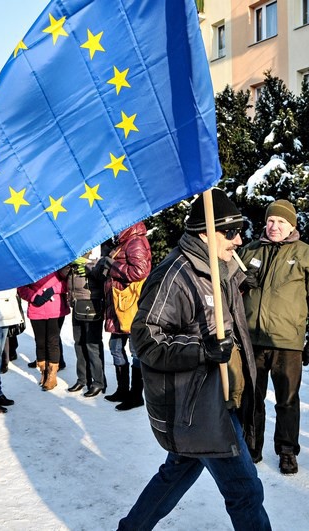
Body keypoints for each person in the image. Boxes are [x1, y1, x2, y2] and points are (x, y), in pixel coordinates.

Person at [119, 189, 270, 530]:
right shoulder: (176, 275)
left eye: (240, 229)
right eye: (230, 231)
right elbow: (145, 339)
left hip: (218, 396)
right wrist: (201, 349)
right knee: (245, 490)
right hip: (199, 405)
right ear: (205, 232)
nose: (239, 239)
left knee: (177, 472)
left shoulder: (220, 269)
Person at [239, 199, 309, 474]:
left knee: (287, 400)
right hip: (252, 339)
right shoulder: (250, 250)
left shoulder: (306, 254)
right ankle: (251, 447)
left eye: (280, 222)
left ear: (292, 225)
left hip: (287, 342)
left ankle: (287, 450)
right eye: (270, 221)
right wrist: (239, 279)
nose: (274, 226)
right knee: (251, 398)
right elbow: (224, 282)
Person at [98, 222, 151, 411]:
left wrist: (112, 265)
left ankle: (136, 395)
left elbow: (139, 271)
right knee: (115, 347)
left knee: (135, 350)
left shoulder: (135, 241)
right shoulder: (123, 241)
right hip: (118, 306)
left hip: (130, 307)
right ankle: (123, 389)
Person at [18, 268, 70, 391]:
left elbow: (68, 283)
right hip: (37, 308)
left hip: (55, 309)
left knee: (52, 341)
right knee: (40, 342)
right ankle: (44, 372)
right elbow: (21, 287)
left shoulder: (58, 264)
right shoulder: (30, 266)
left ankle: (52, 375)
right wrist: (34, 297)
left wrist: (53, 290)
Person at [66, 250, 107, 397]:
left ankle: (98, 382)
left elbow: (104, 274)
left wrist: (89, 265)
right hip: (76, 303)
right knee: (79, 343)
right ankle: (82, 379)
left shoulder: (98, 253)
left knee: (92, 344)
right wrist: (69, 263)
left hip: (92, 303)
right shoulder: (71, 256)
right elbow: (62, 275)